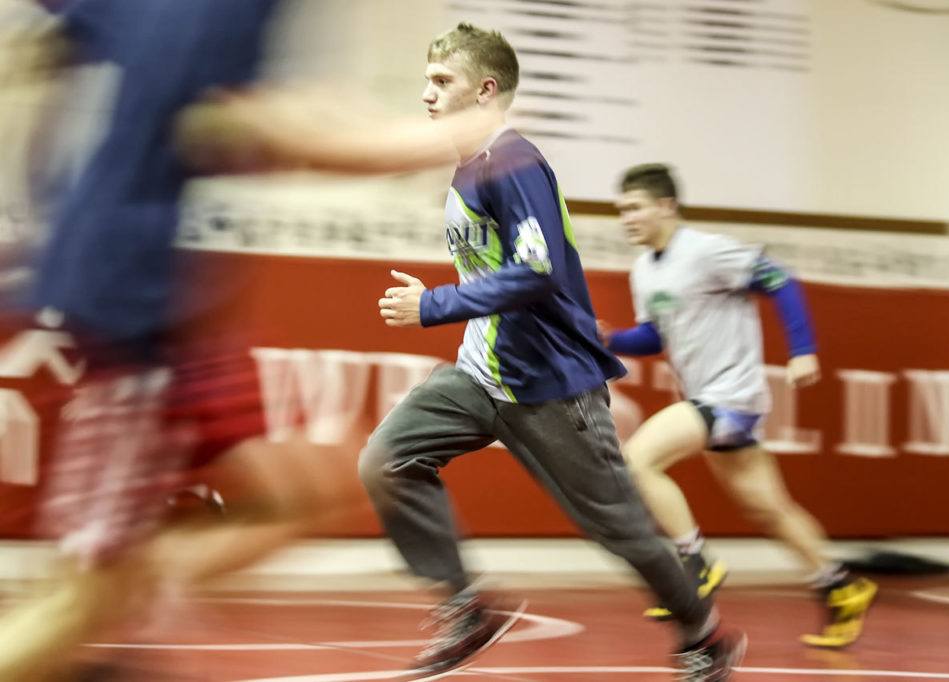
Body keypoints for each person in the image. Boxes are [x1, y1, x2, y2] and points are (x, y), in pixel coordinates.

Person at [0, 3, 506, 679]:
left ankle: (118, 593)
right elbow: (230, 123)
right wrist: (433, 140)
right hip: (126, 307)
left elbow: (51, 46)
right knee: (84, 598)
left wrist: (53, 192)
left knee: (304, 490)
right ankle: (96, 602)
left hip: (171, 305)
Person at [365, 23, 746, 681]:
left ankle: (704, 635)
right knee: (387, 460)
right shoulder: (469, 166)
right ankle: (465, 609)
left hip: (549, 386)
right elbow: (494, 271)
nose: (426, 94)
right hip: (480, 375)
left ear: (485, 90)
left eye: (441, 82)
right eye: (426, 80)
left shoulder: (513, 161)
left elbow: (535, 271)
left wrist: (433, 305)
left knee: (621, 531)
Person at [604, 163, 877, 649]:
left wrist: (802, 348)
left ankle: (695, 562)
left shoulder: (707, 251)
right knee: (769, 510)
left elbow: (780, 280)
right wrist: (609, 340)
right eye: (620, 210)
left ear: (666, 206)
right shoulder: (644, 269)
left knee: (638, 459)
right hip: (711, 400)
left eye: (634, 208)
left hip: (730, 397)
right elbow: (654, 335)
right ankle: (841, 586)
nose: (626, 218)